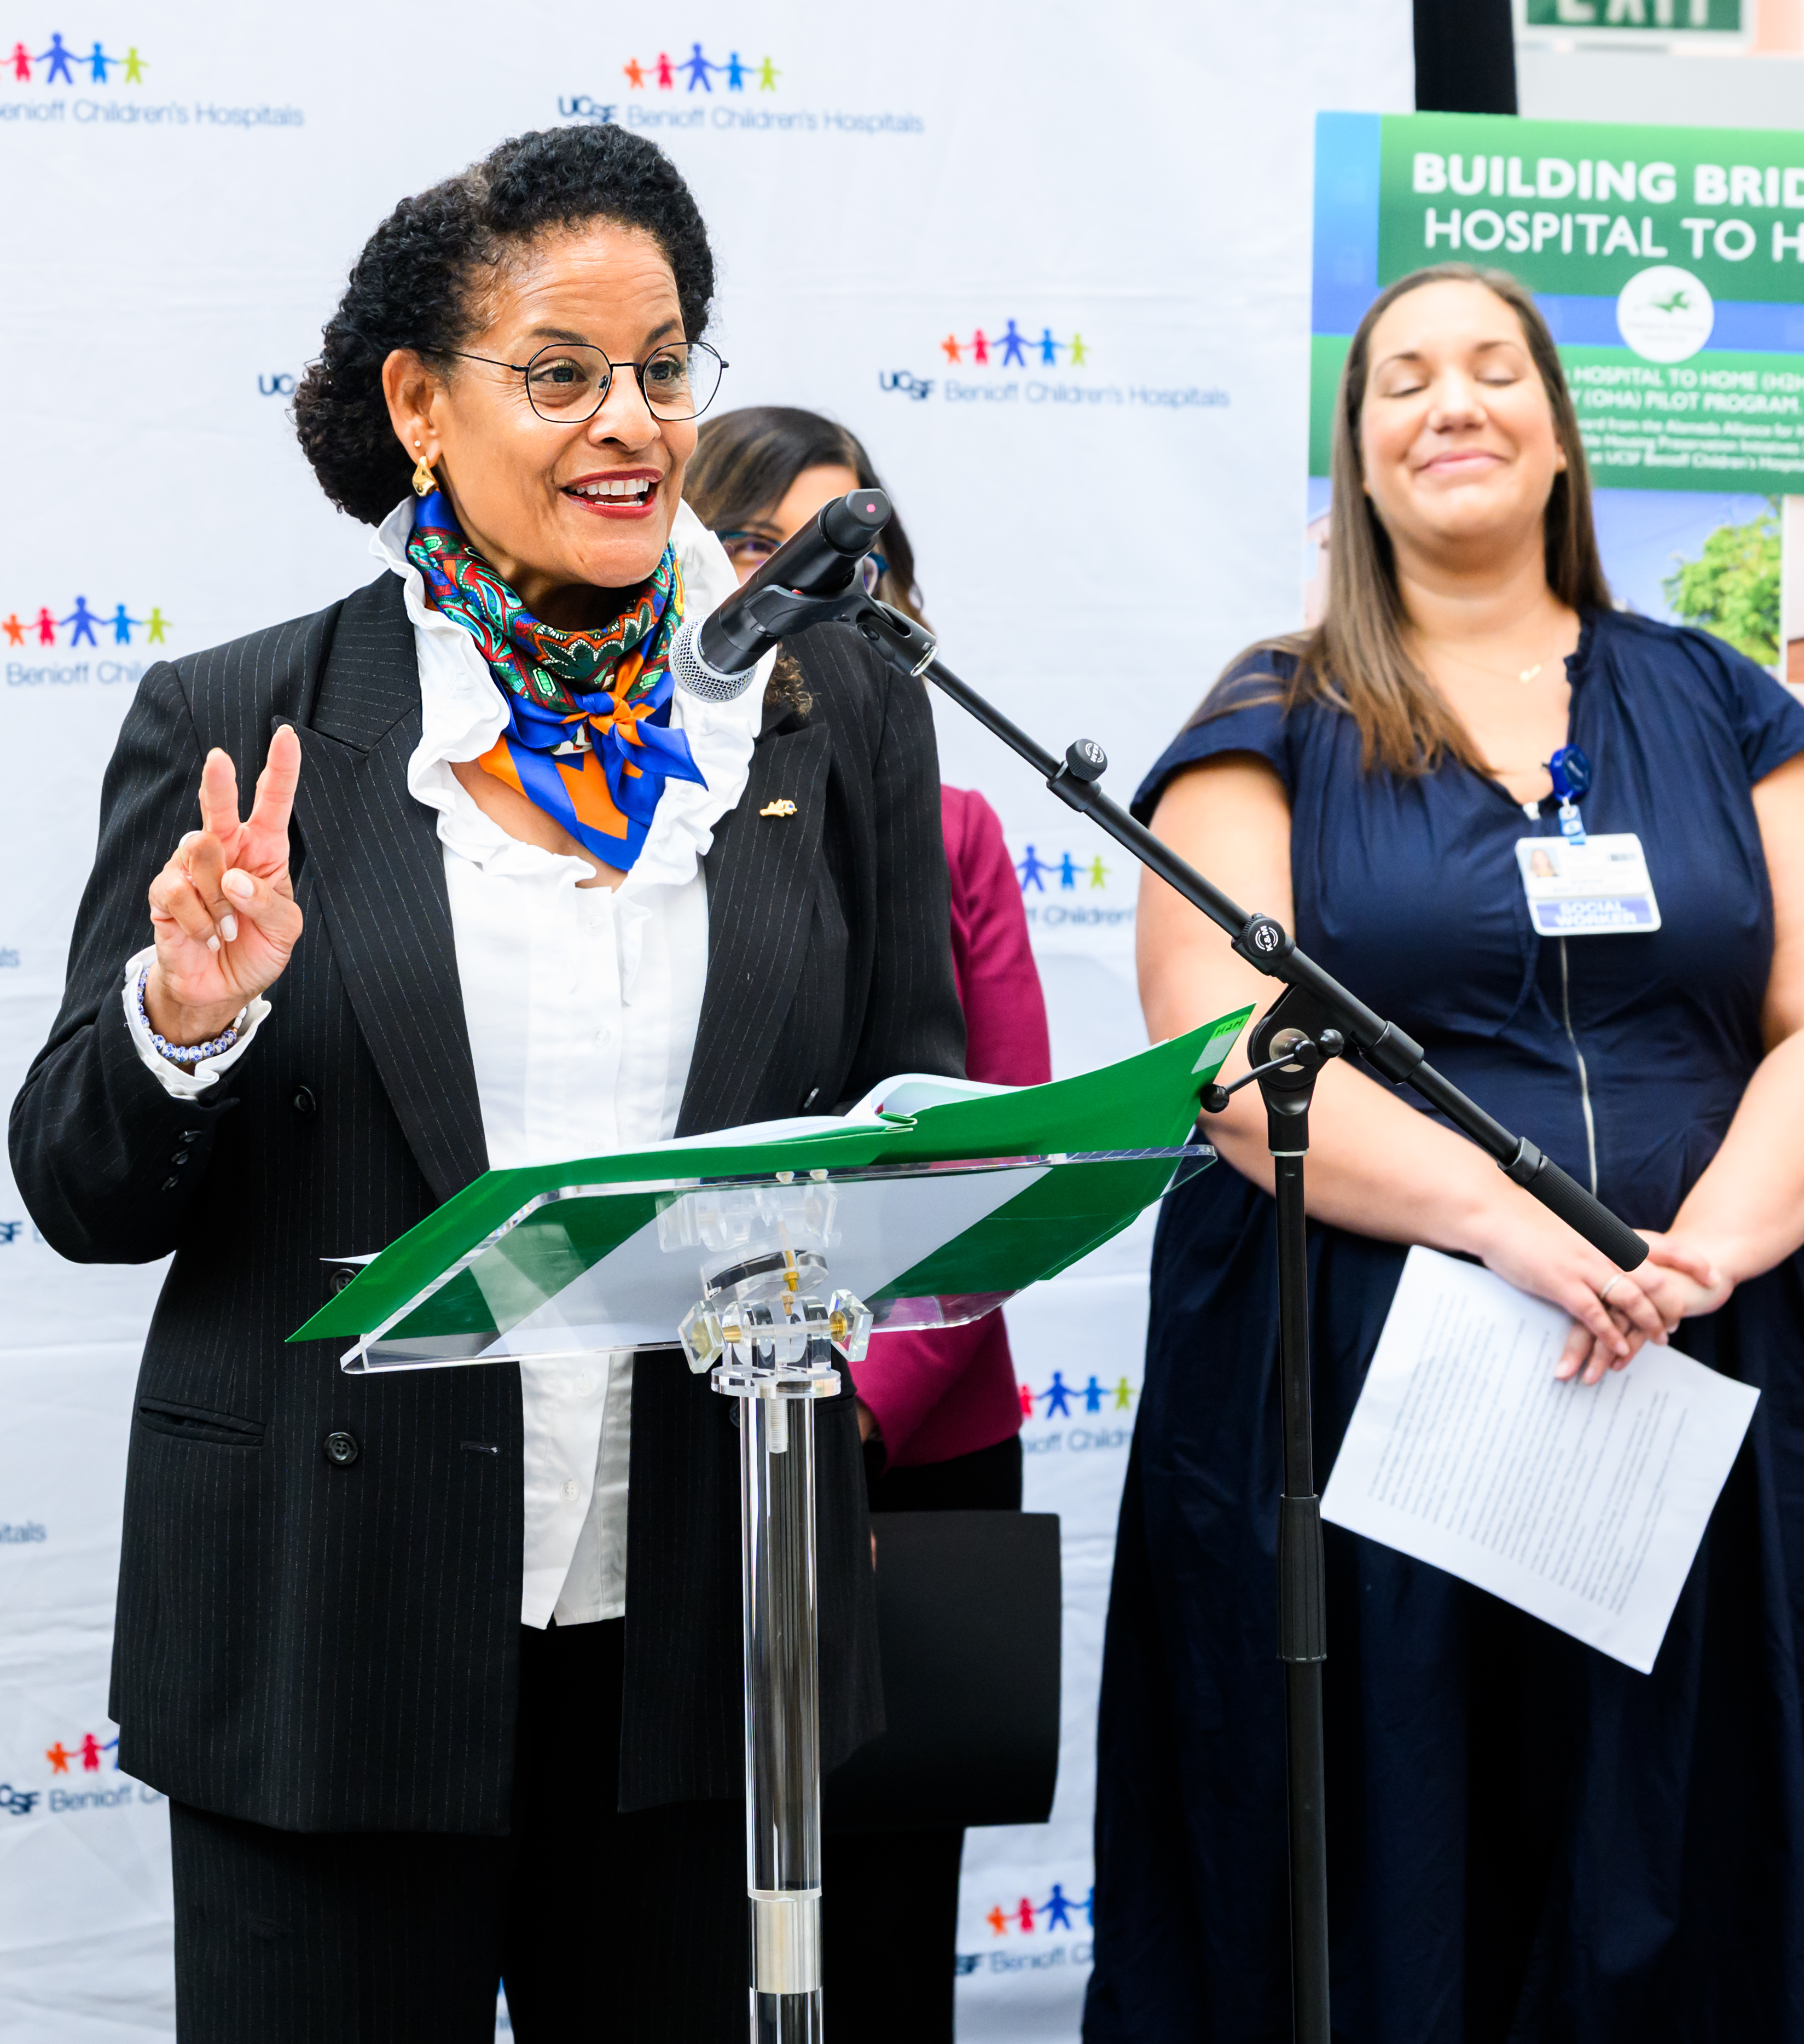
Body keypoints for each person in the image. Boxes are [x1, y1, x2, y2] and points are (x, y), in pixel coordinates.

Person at [9, 126, 966, 2039]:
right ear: (418, 406)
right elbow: (82, 1189)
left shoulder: (830, 700)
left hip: (711, 1628)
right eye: (559, 374)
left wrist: (907, 1173)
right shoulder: (243, 721)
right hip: (333, 1631)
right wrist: (184, 1016)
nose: (630, 423)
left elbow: (907, 1073)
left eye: (661, 365)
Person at [1089, 261, 1804, 2039]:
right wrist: (1500, 1222)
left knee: (1713, 1849)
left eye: (1492, 370)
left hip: (1710, 1359)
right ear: (1354, 455)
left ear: (1559, 433)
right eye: (1402, 381)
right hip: (1361, 1381)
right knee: (1407, 1850)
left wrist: (1697, 1256)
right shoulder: (1269, 719)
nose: (1450, 404)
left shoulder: (1721, 705)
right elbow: (1218, 1052)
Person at [684, 405, 1049, 2040]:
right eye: (767, 553)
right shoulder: (624, 838)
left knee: (888, 1934)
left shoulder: (960, 835)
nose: (817, 593)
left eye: (856, 559)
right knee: (682, 1923)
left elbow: (987, 1174)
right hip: (683, 1445)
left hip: (904, 1450)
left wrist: (842, 1419)